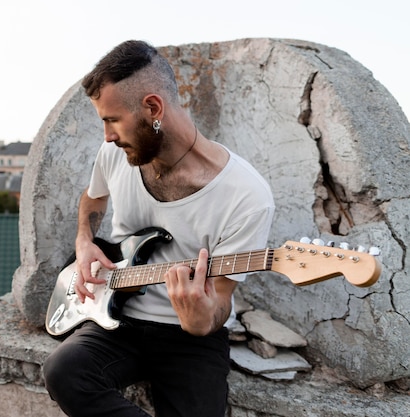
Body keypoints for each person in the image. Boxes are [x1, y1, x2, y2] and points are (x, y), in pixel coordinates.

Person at [43, 40, 275, 417]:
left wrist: (203, 321)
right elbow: (93, 198)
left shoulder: (246, 196)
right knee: (63, 372)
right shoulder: (114, 155)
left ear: (153, 108)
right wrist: (84, 241)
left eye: (112, 119)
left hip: (189, 337)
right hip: (118, 320)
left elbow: (221, 297)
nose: (107, 136)